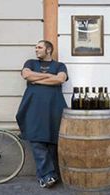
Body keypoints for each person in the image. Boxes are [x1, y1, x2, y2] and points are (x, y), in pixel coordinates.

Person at [16, 40, 68, 188]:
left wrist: (37, 79)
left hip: (54, 108)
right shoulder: (30, 63)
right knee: (36, 139)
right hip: (33, 107)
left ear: (49, 50)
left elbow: (60, 79)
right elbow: (27, 75)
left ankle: (47, 176)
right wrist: (50, 77)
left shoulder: (59, 66)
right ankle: (48, 175)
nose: (36, 50)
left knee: (52, 141)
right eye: (35, 47)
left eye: (39, 47)